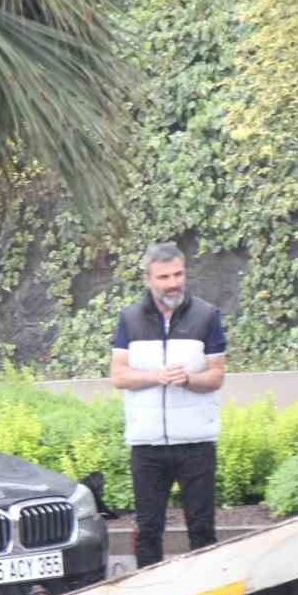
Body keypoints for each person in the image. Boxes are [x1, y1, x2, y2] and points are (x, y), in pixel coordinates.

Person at [110, 243, 227, 569]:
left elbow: (216, 376)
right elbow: (119, 376)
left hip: (196, 444)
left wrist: (188, 379)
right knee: (148, 531)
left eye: (178, 274)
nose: (173, 282)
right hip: (147, 446)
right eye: (164, 277)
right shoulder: (130, 318)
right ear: (148, 279)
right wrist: (155, 376)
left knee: (203, 530)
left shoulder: (207, 316)